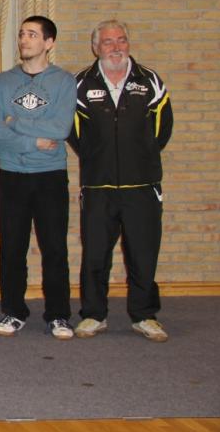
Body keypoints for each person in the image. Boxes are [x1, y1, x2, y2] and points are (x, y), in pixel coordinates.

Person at [69, 20, 173, 342]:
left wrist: (140, 156)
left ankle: (144, 316)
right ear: (95, 48)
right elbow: (75, 132)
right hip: (98, 186)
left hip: (142, 185)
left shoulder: (150, 81)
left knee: (143, 253)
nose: (116, 47)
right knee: (95, 254)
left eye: (121, 40)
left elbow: (162, 129)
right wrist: (97, 157)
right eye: (108, 42)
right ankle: (93, 315)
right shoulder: (81, 84)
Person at [0, 16, 77, 339]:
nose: (24, 39)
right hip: (12, 174)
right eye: (22, 34)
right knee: (12, 247)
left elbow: (60, 128)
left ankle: (58, 315)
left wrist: (15, 122)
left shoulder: (64, 82)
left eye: (33, 35)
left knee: (54, 248)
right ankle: (13, 311)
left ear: (49, 43)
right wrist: (32, 141)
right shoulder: (2, 83)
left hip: (50, 175)